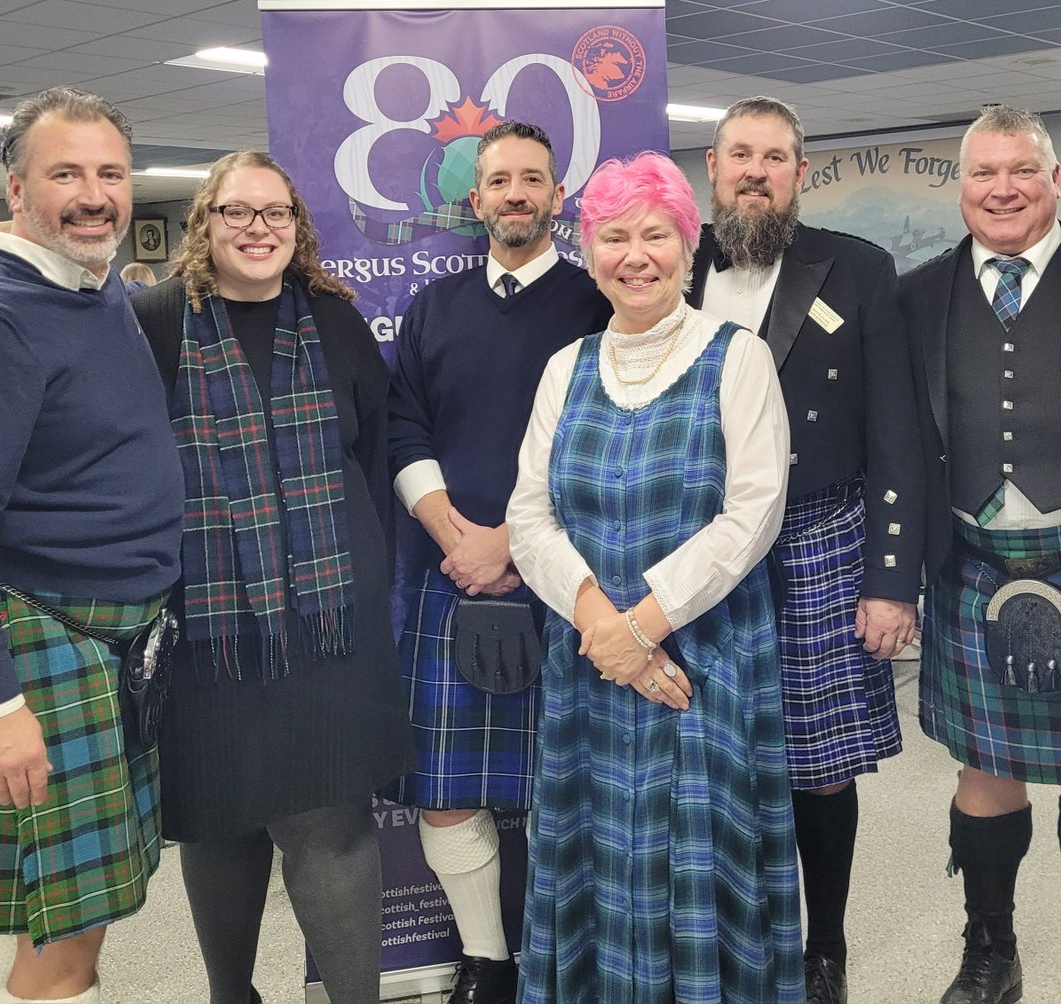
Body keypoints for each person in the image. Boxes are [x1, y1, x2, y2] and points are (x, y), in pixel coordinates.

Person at [507, 150, 801, 1003]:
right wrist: (605, 623)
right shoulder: (566, 366)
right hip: (590, 666)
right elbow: (530, 517)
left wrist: (646, 625)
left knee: (701, 867)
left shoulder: (737, 358)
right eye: (612, 237)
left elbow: (753, 513)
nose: (634, 255)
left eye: (655, 235)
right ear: (589, 251)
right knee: (596, 864)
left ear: (688, 244)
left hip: (703, 667)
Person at [0, 86, 184, 1004]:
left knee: (42, 913)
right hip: (42, 645)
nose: (94, 193)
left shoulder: (93, 286)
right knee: (69, 943)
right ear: (15, 186)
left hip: (113, 640)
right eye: (65, 172)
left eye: (110, 172)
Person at [130, 151, 415, 1004]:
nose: (257, 230)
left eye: (275, 214)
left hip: (329, 628)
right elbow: (131, 469)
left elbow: (368, 459)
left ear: (298, 228)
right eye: (235, 213)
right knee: (221, 824)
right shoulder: (151, 322)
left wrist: (345, 578)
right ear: (203, 227)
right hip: (205, 633)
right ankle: (232, 995)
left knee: (331, 820)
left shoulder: (334, 322)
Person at [684, 95, 923, 1003]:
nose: (755, 170)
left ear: (799, 174)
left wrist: (890, 578)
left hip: (819, 537)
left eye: (774, 157)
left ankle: (825, 949)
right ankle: (733, 936)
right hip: (697, 547)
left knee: (819, 770)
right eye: (739, 154)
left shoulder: (857, 268)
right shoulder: (666, 260)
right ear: (713, 168)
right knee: (712, 757)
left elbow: (895, 429)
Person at [387, 120, 610, 1004]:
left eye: (533, 178)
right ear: (473, 198)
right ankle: (488, 963)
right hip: (451, 576)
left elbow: (605, 446)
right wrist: (457, 538)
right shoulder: (432, 307)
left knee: (571, 792)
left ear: (559, 197)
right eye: (499, 180)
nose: (515, 193)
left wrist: (513, 545)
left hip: (569, 583)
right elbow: (404, 428)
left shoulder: (599, 303)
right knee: (445, 793)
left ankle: (561, 963)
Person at [901, 105, 1061, 1004]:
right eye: (984, 173)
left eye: (1021, 170)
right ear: (961, 188)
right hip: (972, 563)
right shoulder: (920, 293)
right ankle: (989, 948)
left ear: (1055, 179)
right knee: (984, 769)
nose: (1003, 189)